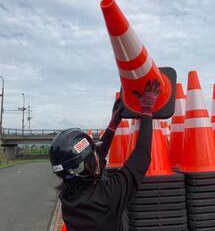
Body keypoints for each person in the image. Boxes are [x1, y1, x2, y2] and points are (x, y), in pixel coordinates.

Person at [49, 80, 160, 231]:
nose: (98, 155)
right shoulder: (108, 196)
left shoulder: (68, 196)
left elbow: (92, 161)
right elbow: (142, 157)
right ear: (85, 166)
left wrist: (113, 125)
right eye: (93, 154)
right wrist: (147, 110)